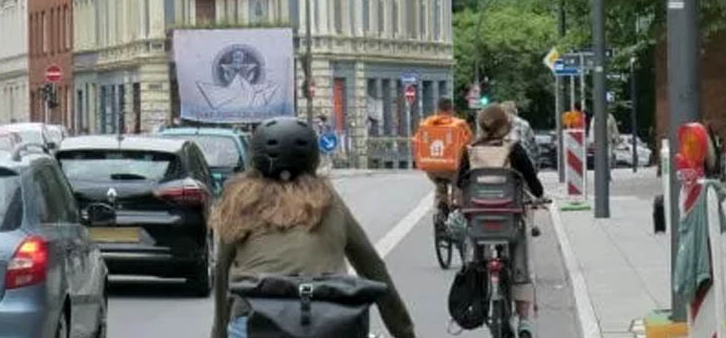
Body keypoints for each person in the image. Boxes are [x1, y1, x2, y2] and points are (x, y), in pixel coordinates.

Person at [210, 117, 415, 338]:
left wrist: (219, 332)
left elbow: (222, 274)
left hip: (254, 320)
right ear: (313, 159)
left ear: (255, 158)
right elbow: (372, 268)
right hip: (327, 320)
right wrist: (404, 332)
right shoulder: (327, 201)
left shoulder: (240, 202)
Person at [457, 105, 546, 337]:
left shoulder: (468, 151)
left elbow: (460, 184)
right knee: (521, 264)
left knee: (474, 257)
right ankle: (524, 321)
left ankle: (476, 288)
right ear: (505, 127)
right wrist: (539, 197)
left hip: (478, 223)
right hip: (509, 222)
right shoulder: (514, 150)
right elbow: (534, 184)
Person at [413, 98, 472, 214]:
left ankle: (441, 205)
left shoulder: (426, 124)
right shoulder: (460, 124)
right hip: (452, 168)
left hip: (431, 167)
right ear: (452, 109)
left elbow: (416, 141)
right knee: (459, 184)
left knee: (440, 185)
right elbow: (469, 141)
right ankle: (456, 205)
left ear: (437, 109)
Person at [501, 101, 540, 170]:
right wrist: (535, 168)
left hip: (507, 166)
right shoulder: (525, 124)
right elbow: (535, 148)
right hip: (525, 165)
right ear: (515, 111)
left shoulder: (499, 126)